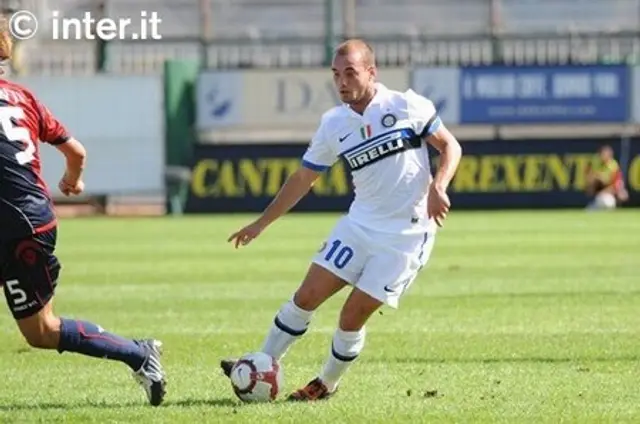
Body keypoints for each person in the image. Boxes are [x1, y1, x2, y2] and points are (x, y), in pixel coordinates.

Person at [223, 38, 462, 401]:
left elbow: (450, 146)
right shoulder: (333, 123)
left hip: (405, 237)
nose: (342, 83)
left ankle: (327, 383)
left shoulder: (406, 105)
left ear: (371, 72)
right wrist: (261, 223)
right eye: (336, 75)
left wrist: (439, 186)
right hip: (358, 226)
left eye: (350, 73)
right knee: (305, 297)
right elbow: (304, 177)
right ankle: (262, 363)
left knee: (350, 316)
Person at [0, 16, 166, 406]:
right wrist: (72, 182)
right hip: (30, 218)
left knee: (42, 332)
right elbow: (76, 151)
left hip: (21, 228)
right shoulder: (23, 98)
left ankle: (139, 354)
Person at [585, 145, 628, 210]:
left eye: (607, 154)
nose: (605, 156)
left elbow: (615, 186)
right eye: (603, 154)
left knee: (608, 202)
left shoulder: (614, 166)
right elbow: (589, 179)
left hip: (608, 193)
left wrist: (602, 192)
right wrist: (596, 178)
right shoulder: (595, 161)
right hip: (598, 191)